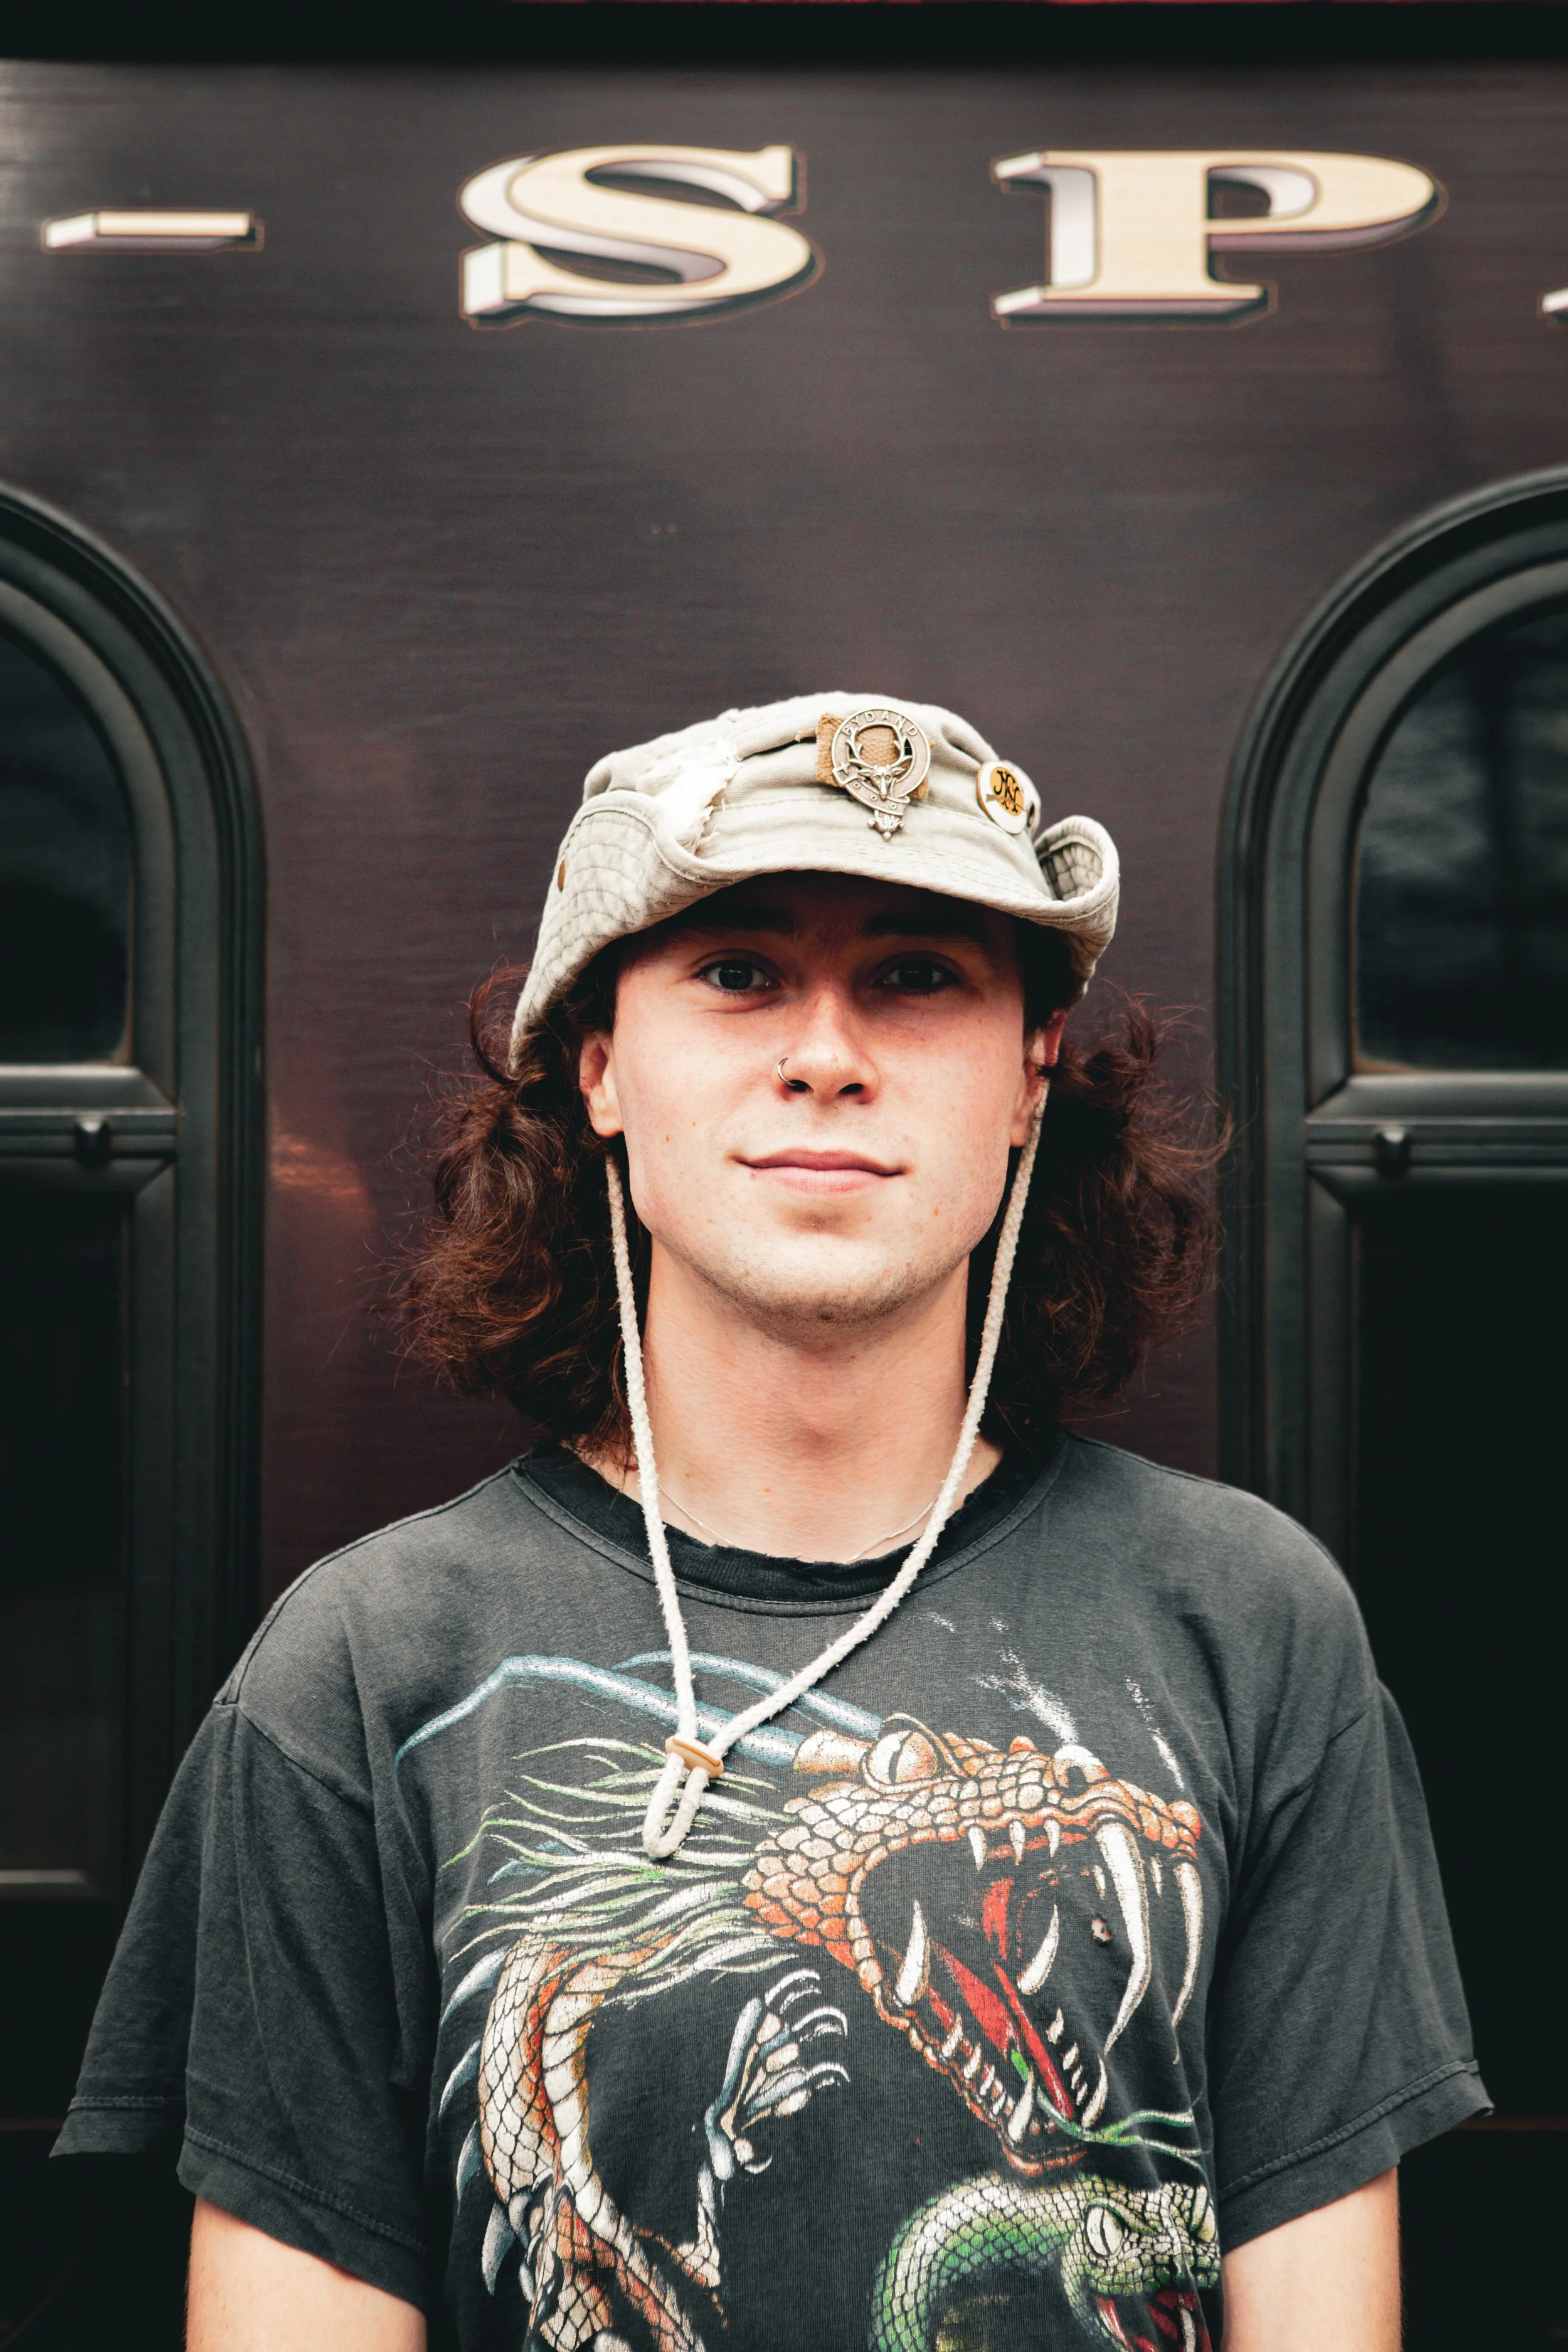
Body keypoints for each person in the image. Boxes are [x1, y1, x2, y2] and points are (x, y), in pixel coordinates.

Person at [55, 694, 1484, 2352]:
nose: (825, 1049)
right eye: (736, 972)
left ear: (1030, 1072)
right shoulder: (365, 1671)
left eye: (916, 975)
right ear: (595, 1063)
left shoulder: (1247, 1621)